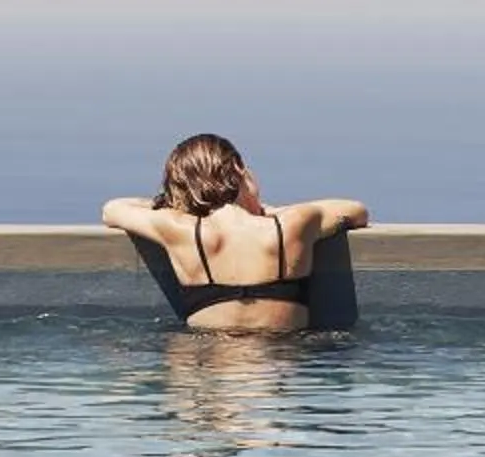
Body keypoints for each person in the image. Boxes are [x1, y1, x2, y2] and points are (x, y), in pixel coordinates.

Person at [101, 133, 369, 331]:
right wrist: (274, 210)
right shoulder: (293, 224)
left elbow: (112, 209)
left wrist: (174, 206)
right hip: (276, 374)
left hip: (201, 365)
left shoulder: (177, 228)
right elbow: (356, 211)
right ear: (239, 170)